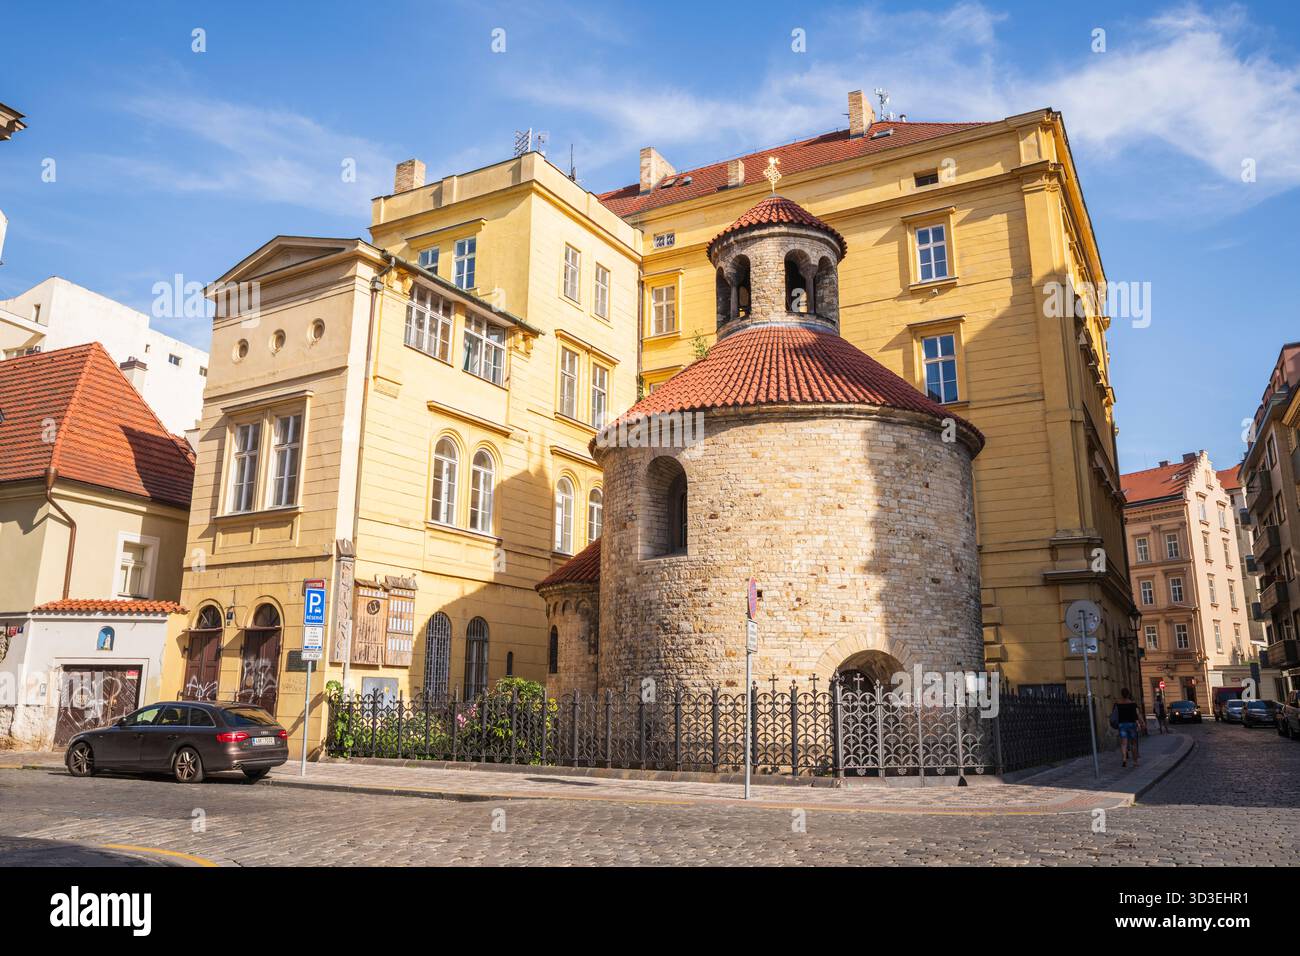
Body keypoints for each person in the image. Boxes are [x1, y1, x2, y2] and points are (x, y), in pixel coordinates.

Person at [1110, 689, 1141, 767]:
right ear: (1128, 694)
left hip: (1122, 725)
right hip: (1131, 725)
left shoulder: (1118, 704)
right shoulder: (1132, 704)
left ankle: (1124, 759)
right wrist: (1139, 724)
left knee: (1124, 743)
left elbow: (1114, 714)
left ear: (1122, 695)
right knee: (1133, 744)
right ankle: (1135, 762)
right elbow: (1135, 716)